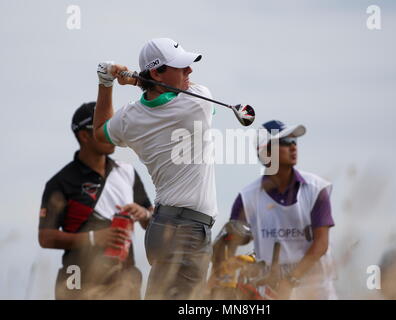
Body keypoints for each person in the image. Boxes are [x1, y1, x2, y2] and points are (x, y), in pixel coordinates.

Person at [93, 38, 218, 299]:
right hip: (186, 231)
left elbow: (99, 134)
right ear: (156, 72)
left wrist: (106, 83)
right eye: (181, 67)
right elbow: (184, 92)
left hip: (163, 226)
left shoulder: (129, 117)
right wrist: (136, 81)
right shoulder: (197, 103)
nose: (189, 72)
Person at [39, 102, 153, 300]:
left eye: (112, 126)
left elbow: (151, 222)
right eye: (103, 127)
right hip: (77, 279)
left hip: (124, 278)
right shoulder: (60, 182)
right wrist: (93, 238)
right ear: (84, 135)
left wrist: (145, 214)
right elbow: (45, 238)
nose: (112, 134)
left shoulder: (127, 172)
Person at [217, 120, 337, 299]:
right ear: (265, 152)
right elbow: (228, 243)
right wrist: (227, 280)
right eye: (286, 142)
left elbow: (321, 244)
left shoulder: (316, 189)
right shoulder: (246, 197)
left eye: (294, 142)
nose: (293, 147)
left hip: (316, 290)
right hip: (270, 291)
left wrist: (290, 281)